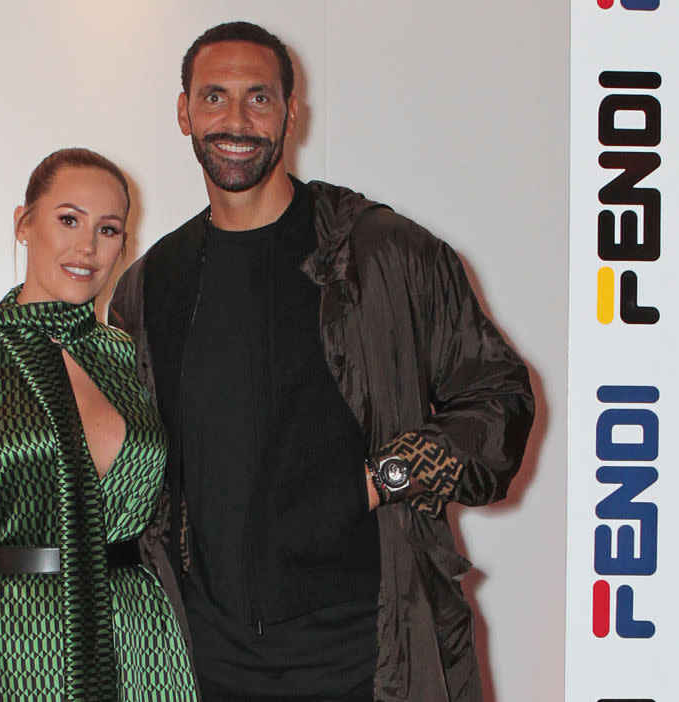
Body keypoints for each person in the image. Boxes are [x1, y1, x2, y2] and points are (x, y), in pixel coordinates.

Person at [109, 22, 535, 702]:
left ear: (290, 113)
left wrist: (385, 475)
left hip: (363, 651)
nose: (236, 120)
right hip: (206, 659)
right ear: (184, 111)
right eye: (214, 98)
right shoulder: (150, 282)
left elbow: (498, 400)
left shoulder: (381, 253)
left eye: (259, 98)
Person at [0, 148, 198, 701]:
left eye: (108, 229)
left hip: (137, 643)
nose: (87, 247)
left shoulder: (134, 362)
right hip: (10, 648)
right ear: (24, 225)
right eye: (69, 220)